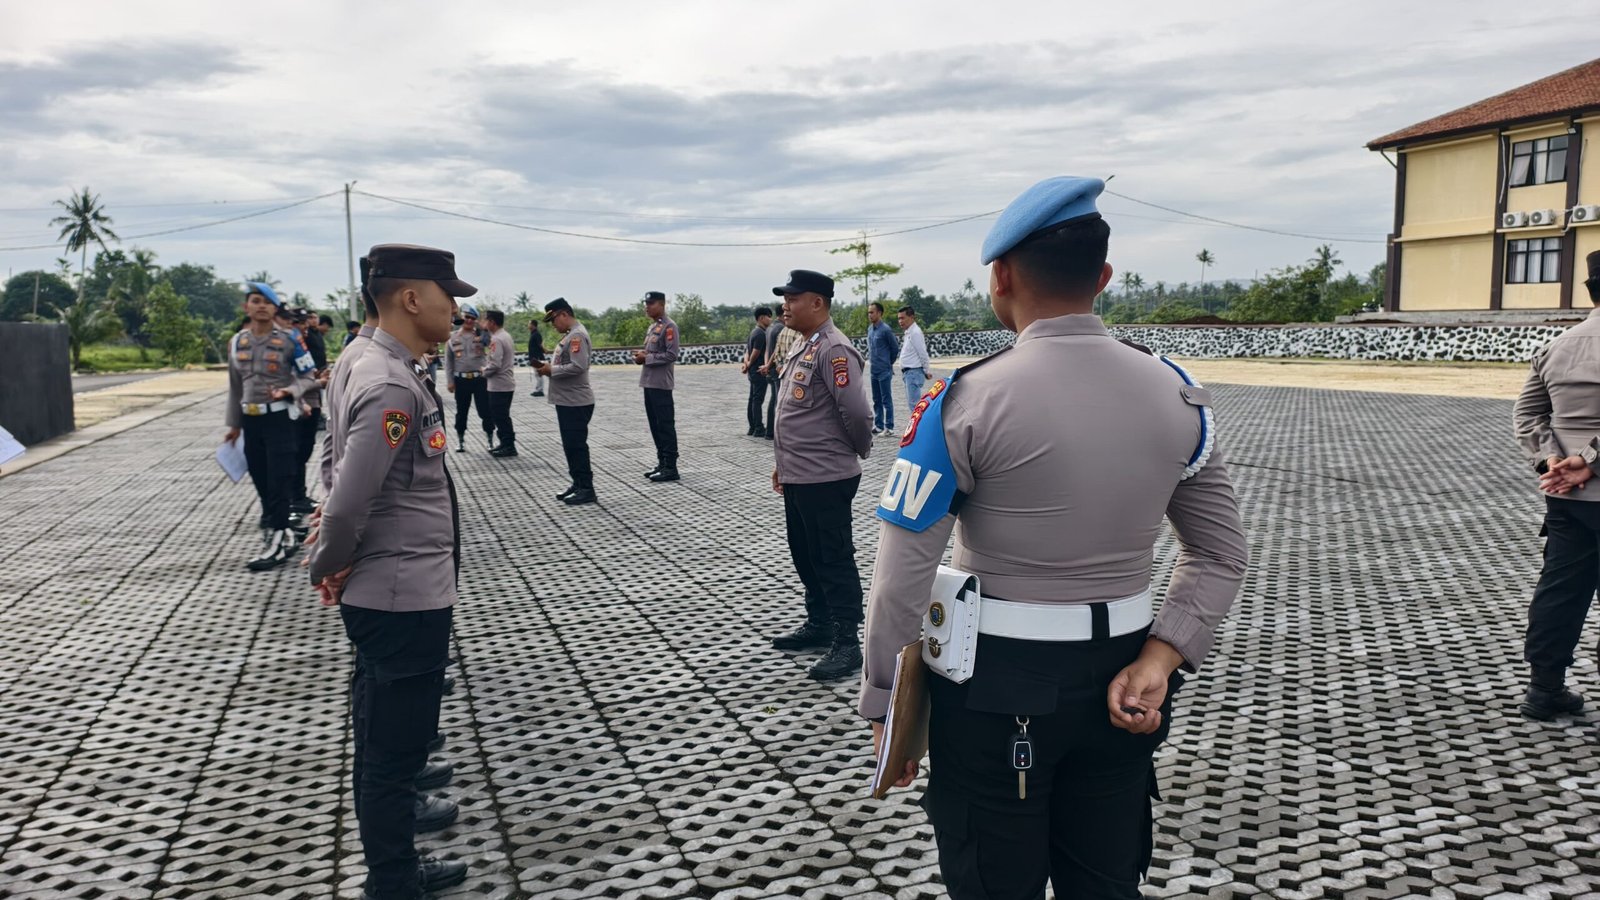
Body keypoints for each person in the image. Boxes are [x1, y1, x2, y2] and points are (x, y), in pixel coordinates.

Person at [859, 176, 1249, 899]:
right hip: (1127, 682)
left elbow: (899, 578)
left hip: (993, 685)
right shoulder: (1179, 394)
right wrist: (1162, 656)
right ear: (1103, 277)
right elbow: (1222, 552)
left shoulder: (962, 402)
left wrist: (886, 705)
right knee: (1104, 880)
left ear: (1001, 278)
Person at [307, 243, 475, 900]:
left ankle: (396, 854)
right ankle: (395, 880)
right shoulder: (389, 383)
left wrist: (335, 549)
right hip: (403, 595)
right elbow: (350, 497)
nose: (454, 308)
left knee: (385, 739)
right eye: (447, 296)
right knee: (392, 752)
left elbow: (335, 467)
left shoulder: (374, 362)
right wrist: (329, 561)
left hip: (397, 587)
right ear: (411, 298)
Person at [767, 270, 874, 680]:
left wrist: (854, 451)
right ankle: (819, 623)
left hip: (826, 476)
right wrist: (784, 465)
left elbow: (858, 413)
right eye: (784, 299)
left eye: (793, 299)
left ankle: (847, 643)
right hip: (800, 475)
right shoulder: (803, 343)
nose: (785, 306)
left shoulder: (834, 349)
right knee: (806, 555)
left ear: (817, 303)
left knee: (833, 558)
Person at [1512, 249, 1600, 721]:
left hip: (1567, 498)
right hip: (1582, 480)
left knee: (1560, 590)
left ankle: (1544, 689)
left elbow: (1527, 413)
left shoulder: (1558, 346)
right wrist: (1590, 460)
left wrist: (1551, 459)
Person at [223, 282, 319, 571]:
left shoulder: (290, 340)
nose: (261, 306)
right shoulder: (237, 341)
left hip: (280, 420)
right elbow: (235, 386)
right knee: (261, 479)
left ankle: (278, 538)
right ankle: (283, 530)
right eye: (255, 301)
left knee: (279, 478)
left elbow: (309, 376)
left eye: (267, 302)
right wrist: (234, 425)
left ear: (275, 308)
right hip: (251, 420)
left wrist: (291, 390)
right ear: (246, 307)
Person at [535, 298, 597, 505]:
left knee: (576, 446)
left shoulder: (577, 335)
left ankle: (586, 488)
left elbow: (578, 366)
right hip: (568, 401)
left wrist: (550, 370)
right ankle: (578, 483)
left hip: (576, 402)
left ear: (564, 314)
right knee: (571, 446)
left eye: (554, 319)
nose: (553, 325)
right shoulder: (570, 335)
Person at [634, 291, 681, 482]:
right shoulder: (653, 327)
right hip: (649, 382)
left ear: (662, 304)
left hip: (661, 384)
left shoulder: (669, 327)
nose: (647, 307)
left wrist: (647, 358)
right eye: (646, 303)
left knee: (665, 425)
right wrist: (641, 355)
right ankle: (662, 462)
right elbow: (652, 352)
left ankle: (671, 467)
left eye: (651, 303)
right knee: (655, 425)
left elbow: (671, 354)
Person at [291, 308, 331, 517]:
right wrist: (319, 382)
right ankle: (294, 498)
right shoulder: (288, 347)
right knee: (296, 454)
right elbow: (291, 382)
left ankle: (299, 495)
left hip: (312, 401)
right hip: (302, 404)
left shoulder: (302, 345)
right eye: (302, 327)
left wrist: (317, 376)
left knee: (304, 452)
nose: (305, 331)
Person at [444, 304, 491, 451]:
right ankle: (461, 440)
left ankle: (490, 438)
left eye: (472, 318)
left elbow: (490, 343)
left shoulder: (481, 335)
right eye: (467, 317)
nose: (469, 320)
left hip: (479, 379)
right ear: (462, 318)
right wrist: (450, 381)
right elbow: (449, 361)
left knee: (485, 410)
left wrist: (484, 329)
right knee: (461, 411)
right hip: (461, 380)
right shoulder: (452, 337)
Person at [481, 310, 518, 458]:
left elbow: (495, 364)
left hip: (499, 385)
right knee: (502, 416)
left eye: (486, 320)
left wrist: (484, 371)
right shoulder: (505, 335)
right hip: (505, 383)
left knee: (500, 416)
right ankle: (505, 443)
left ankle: (509, 445)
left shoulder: (496, 339)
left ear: (492, 322)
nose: (484, 323)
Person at [761, 310, 801, 441]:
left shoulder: (777, 329)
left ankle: (771, 432)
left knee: (776, 401)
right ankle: (780, 432)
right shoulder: (796, 332)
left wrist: (773, 365)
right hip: (788, 372)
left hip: (779, 370)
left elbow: (774, 351)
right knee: (784, 403)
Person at [866, 302, 901, 436]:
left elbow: (894, 348)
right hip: (873, 370)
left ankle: (889, 427)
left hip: (884, 370)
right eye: (869, 312)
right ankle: (879, 425)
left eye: (872, 312)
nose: (870, 315)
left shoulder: (886, 330)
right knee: (876, 399)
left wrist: (888, 363)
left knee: (886, 399)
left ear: (879, 313)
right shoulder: (870, 329)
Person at [742, 307, 774, 437]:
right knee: (757, 400)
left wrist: (746, 364)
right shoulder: (761, 334)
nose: (771, 319)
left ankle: (752, 427)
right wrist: (749, 364)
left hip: (752, 371)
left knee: (753, 399)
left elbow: (747, 352)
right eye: (769, 316)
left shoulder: (754, 332)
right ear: (761, 318)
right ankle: (758, 428)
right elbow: (755, 352)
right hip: (758, 371)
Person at [894, 305, 930, 412]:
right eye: (899, 318)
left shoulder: (915, 333)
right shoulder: (909, 332)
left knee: (915, 406)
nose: (900, 321)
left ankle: (921, 424)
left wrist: (926, 370)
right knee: (913, 405)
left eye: (903, 318)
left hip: (913, 372)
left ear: (912, 317)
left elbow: (922, 353)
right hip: (909, 373)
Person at [527, 319, 549, 397]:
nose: (528, 325)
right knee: (537, 374)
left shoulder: (536, 334)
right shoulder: (533, 334)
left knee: (539, 374)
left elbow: (540, 345)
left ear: (533, 325)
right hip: (534, 357)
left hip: (537, 358)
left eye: (529, 324)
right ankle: (538, 389)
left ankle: (540, 390)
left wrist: (544, 350)